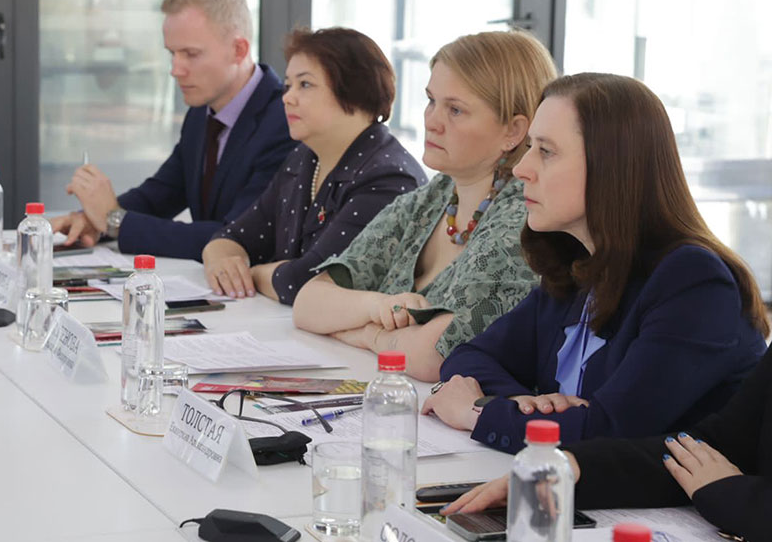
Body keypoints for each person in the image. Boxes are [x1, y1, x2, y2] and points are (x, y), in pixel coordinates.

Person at [423, 73, 767, 454]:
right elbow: (469, 357)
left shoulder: (694, 283)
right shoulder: (577, 263)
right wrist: (529, 406)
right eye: (530, 147)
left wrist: (479, 412)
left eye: (546, 151)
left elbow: (609, 433)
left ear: (612, 167)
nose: (521, 169)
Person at [293, 30, 558, 381]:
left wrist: (368, 334)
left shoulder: (522, 217)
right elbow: (308, 303)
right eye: (431, 100)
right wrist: (378, 306)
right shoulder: (434, 196)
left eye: (455, 110)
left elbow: (434, 355)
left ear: (513, 130)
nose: (431, 121)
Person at [51, 0, 293, 260]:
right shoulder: (202, 111)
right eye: (172, 53)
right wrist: (91, 219)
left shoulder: (286, 121)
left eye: (191, 54)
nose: (175, 70)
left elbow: (235, 237)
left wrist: (114, 220)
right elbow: (161, 194)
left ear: (238, 50)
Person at [442, 346, 772, 541]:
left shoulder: (697, 280)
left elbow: (609, 421)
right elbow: (710, 449)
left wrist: (732, 496)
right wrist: (574, 467)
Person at [202, 27, 426, 305]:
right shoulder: (304, 158)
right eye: (288, 85)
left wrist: (251, 273)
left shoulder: (388, 179)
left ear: (355, 91)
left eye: (305, 85)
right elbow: (233, 236)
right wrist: (220, 260)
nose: (287, 97)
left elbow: (306, 281)